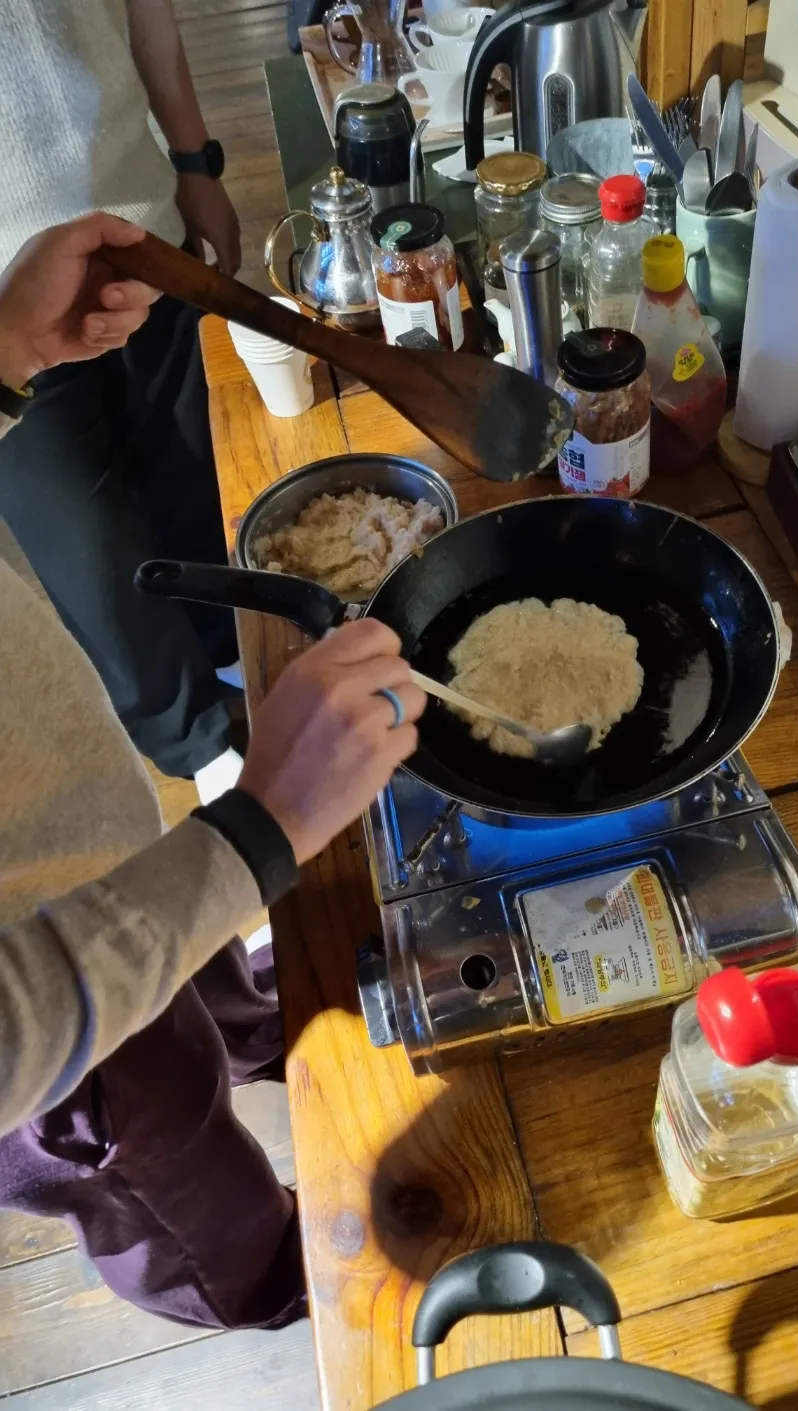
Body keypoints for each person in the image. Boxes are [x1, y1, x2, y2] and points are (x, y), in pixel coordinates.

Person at [0, 214, 427, 1328]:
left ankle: (245, 1028)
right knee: (168, 1158)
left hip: (95, 838)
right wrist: (259, 827)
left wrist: (1, 352)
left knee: (200, 972)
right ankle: (260, 1282)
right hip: (49, 1040)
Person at [0, 0, 248, 788]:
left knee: (197, 496)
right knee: (100, 575)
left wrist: (194, 165)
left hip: (145, 232)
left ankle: (239, 674)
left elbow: (148, 16)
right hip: (6, 310)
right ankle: (206, 759)